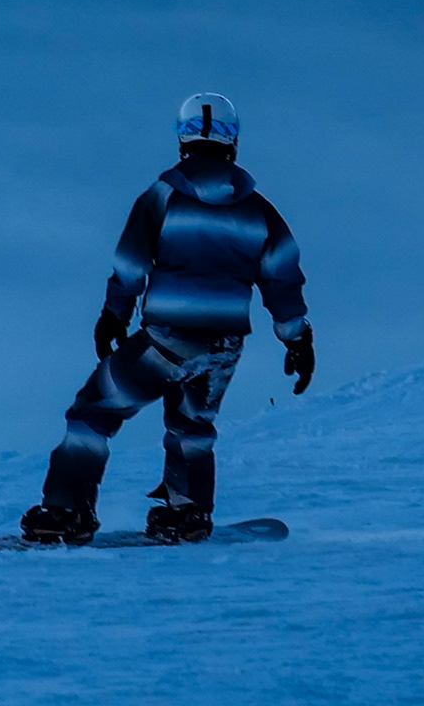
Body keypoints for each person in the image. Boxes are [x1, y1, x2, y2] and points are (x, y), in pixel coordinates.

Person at [21, 92, 314, 543]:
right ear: (232, 140)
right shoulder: (259, 211)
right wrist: (297, 339)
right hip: (224, 344)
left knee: (92, 411)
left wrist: (113, 316)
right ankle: (188, 512)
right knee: (192, 425)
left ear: (182, 139)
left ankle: (66, 511)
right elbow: (282, 277)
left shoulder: (163, 198)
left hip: (169, 338)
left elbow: (130, 265)